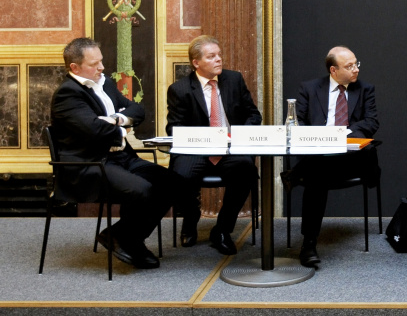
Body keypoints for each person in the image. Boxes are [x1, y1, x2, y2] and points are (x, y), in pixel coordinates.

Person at [50, 37, 179, 269]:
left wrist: (116, 119)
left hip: (121, 157)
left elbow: (137, 110)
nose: (101, 67)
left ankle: (122, 236)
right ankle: (131, 241)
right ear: (75, 68)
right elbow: (96, 131)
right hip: (90, 164)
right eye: (94, 64)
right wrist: (118, 126)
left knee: (172, 182)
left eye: (101, 61)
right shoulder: (67, 95)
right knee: (141, 190)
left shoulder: (105, 82)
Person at [166, 35, 261, 256]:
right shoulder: (180, 89)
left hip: (229, 150)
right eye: (211, 57)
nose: (219, 59)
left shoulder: (234, 80)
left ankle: (221, 230)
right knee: (180, 175)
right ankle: (190, 220)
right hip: (197, 152)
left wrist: (235, 135)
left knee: (246, 170)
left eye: (219, 55)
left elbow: (254, 115)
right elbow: (173, 129)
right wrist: (205, 138)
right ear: (196, 63)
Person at [288, 46, 380, 267]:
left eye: (356, 63)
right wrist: (322, 138)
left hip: (350, 159)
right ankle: (309, 243)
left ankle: (294, 175)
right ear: (333, 70)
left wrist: (342, 134)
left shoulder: (365, 89)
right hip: (318, 155)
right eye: (349, 66)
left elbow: (371, 122)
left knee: (315, 173)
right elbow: (297, 123)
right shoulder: (310, 89)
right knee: (318, 172)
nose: (356, 69)